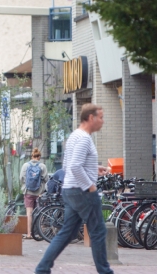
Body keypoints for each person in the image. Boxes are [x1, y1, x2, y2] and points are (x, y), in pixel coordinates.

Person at [34, 104, 113, 274]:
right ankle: (105, 271)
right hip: (82, 191)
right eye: (100, 117)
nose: (102, 121)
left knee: (67, 233)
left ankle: (42, 268)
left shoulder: (74, 136)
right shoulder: (84, 138)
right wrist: (90, 187)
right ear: (90, 118)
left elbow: (68, 165)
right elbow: (76, 166)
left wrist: (93, 168)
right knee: (98, 231)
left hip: (70, 190)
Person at [21, 148, 49, 236]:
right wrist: (42, 189)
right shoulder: (42, 166)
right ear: (39, 157)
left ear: (32, 156)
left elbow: (21, 178)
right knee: (41, 212)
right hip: (39, 193)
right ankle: (41, 234)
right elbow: (46, 179)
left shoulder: (25, 165)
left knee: (29, 213)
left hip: (28, 192)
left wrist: (25, 187)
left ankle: (29, 234)